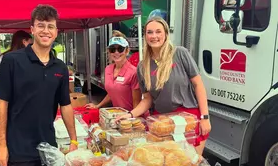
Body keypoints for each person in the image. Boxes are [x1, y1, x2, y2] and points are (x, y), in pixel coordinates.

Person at [0, 4, 77, 166]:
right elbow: (1, 103)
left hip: (45, 146)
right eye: (41, 25)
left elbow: (66, 105)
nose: (45, 30)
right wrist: (0, 145)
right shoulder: (12, 61)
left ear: (56, 31)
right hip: (17, 145)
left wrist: (73, 140)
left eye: (50, 26)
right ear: (32, 29)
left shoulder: (60, 67)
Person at [117, 17, 211, 155]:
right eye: (150, 32)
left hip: (188, 119)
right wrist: (130, 115)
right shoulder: (143, 66)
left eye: (158, 32)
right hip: (161, 122)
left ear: (166, 34)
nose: (154, 36)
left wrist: (205, 118)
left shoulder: (180, 53)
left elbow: (198, 85)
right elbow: (147, 99)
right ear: (145, 36)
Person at [0, 30, 33, 166]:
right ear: (24, 41)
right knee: (8, 143)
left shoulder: (2, 58)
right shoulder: (19, 60)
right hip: (11, 106)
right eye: (30, 41)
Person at [86, 31, 142, 111]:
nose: (116, 52)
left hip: (132, 117)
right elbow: (113, 92)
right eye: (112, 49)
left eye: (120, 49)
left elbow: (137, 102)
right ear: (109, 51)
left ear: (127, 51)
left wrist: (132, 119)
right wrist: (98, 106)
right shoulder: (108, 69)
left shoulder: (133, 72)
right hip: (118, 116)